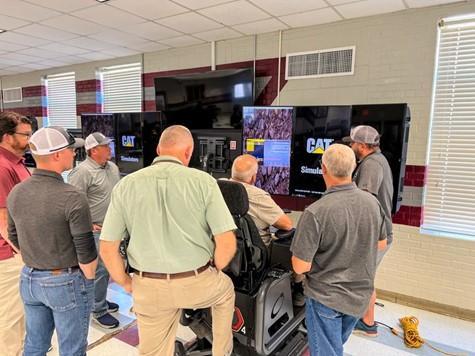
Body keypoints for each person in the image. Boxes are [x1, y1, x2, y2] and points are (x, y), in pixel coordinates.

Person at [100, 125, 237, 356]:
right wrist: (215, 268)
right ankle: (221, 352)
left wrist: (125, 282)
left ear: (158, 149)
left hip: (148, 286)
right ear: (188, 152)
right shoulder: (204, 182)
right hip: (196, 281)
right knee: (226, 291)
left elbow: (107, 248)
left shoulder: (125, 185)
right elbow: (226, 241)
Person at [7, 126, 98, 356]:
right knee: (72, 349)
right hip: (64, 280)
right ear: (57, 155)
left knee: (35, 346)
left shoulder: (17, 192)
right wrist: (87, 282)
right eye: (70, 149)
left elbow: (13, 236)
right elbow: (86, 252)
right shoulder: (72, 197)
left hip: (29, 279)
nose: (74, 153)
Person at [291, 144, 387, 356]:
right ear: (353, 168)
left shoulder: (316, 212)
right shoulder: (372, 203)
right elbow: (381, 244)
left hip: (326, 299)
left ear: (323, 169)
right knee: (334, 348)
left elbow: (300, 265)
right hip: (359, 297)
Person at [229, 154, 305, 305]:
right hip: (255, 255)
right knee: (297, 238)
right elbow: (286, 225)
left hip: (227, 251)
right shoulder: (256, 195)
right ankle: (298, 290)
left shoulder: (219, 188)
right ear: (253, 178)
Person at [343, 125, 393, 337]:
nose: (350, 146)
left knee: (364, 279)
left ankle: (367, 322)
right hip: (376, 233)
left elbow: (365, 202)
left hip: (374, 235)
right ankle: (366, 319)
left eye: (353, 143)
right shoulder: (376, 160)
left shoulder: (372, 165)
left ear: (362, 146)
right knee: (367, 278)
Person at [69, 132, 121, 329]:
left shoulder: (112, 168)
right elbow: (73, 203)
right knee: (99, 270)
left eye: (109, 145)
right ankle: (97, 310)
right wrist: (88, 224)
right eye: (106, 146)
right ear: (93, 150)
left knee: (108, 268)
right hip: (95, 230)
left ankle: (101, 301)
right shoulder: (82, 172)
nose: (110, 149)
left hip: (112, 228)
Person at [0, 111, 32, 356]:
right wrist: (26, 253)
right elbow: (2, 220)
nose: (30, 139)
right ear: (6, 136)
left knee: (20, 313)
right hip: (9, 255)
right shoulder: (1, 167)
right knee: (10, 318)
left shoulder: (17, 163)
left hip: (19, 252)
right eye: (25, 135)